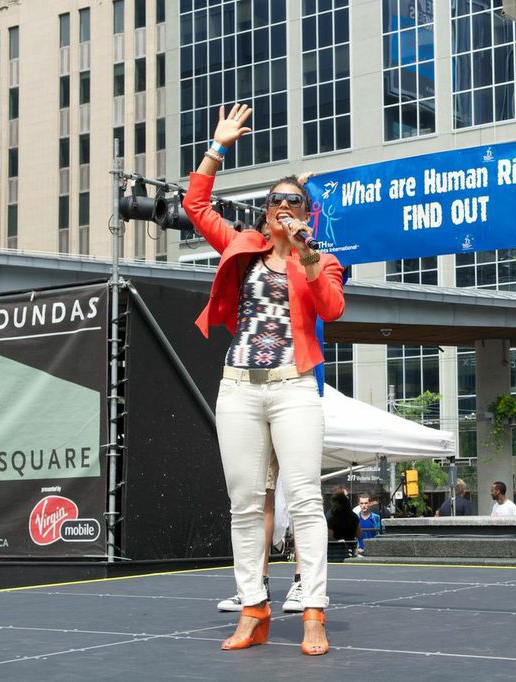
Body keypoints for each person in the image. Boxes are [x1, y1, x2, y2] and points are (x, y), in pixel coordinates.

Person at [184, 103, 345, 655]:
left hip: (294, 386)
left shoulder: (321, 261)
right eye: (275, 199)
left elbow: (332, 308)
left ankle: (314, 612)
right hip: (239, 386)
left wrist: (304, 251)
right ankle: (253, 608)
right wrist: (217, 147)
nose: (282, 206)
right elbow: (196, 206)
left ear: (306, 212)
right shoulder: (242, 247)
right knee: (245, 503)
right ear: (265, 210)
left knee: (304, 500)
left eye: (292, 200)